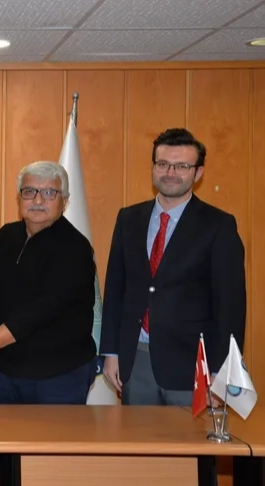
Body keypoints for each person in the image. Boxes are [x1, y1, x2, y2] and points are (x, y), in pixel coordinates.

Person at [100, 128, 246, 407]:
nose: (170, 173)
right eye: (163, 164)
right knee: (137, 436)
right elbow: (116, 287)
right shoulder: (128, 218)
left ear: (198, 173)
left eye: (181, 166)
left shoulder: (218, 225)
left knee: (188, 437)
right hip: (135, 360)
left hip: (194, 365)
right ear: (153, 167)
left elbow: (230, 305)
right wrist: (111, 352)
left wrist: (222, 370)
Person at [0, 161, 97, 405]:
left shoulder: (75, 248)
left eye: (49, 193)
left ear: (65, 201)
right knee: (2, 432)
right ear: (20, 198)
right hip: (6, 371)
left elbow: (39, 312)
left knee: (51, 433)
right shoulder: (7, 235)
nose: (37, 200)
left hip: (58, 375)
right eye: (29, 191)